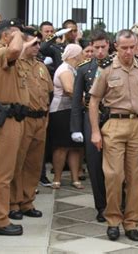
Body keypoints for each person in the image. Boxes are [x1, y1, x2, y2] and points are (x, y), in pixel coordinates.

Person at [89, 29, 138, 242]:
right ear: (116, 46)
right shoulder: (106, 69)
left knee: (135, 178)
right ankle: (113, 220)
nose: (128, 51)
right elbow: (94, 101)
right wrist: (95, 132)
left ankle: (132, 222)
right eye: (124, 47)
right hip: (114, 125)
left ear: (137, 46)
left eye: (132, 47)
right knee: (114, 175)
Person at [0, 19, 29, 236]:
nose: (22, 37)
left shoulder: (9, 54)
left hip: (14, 119)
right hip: (4, 119)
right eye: (17, 33)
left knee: (6, 171)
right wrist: (17, 35)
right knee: (1, 174)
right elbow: (14, 50)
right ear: (5, 36)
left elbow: (20, 50)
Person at [9, 28, 53, 219]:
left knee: (34, 164)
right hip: (23, 118)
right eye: (33, 42)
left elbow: (49, 92)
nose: (37, 46)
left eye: (38, 43)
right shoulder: (16, 63)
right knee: (17, 162)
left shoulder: (41, 66)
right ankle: (13, 203)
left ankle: (27, 202)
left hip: (41, 119)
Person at [70, 30, 112, 222]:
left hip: (113, 118)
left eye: (103, 47)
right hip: (91, 117)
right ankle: (101, 205)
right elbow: (76, 101)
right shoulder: (84, 68)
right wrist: (76, 128)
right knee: (94, 164)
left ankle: (117, 201)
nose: (100, 51)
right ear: (91, 48)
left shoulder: (116, 66)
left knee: (115, 163)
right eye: (96, 48)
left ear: (109, 46)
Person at [48, 44, 85, 190]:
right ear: (75, 55)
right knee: (62, 146)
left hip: (72, 111)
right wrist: (87, 100)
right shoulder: (65, 69)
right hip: (61, 112)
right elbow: (70, 90)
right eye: (81, 53)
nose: (82, 56)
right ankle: (57, 178)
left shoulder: (73, 69)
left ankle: (75, 178)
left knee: (75, 147)